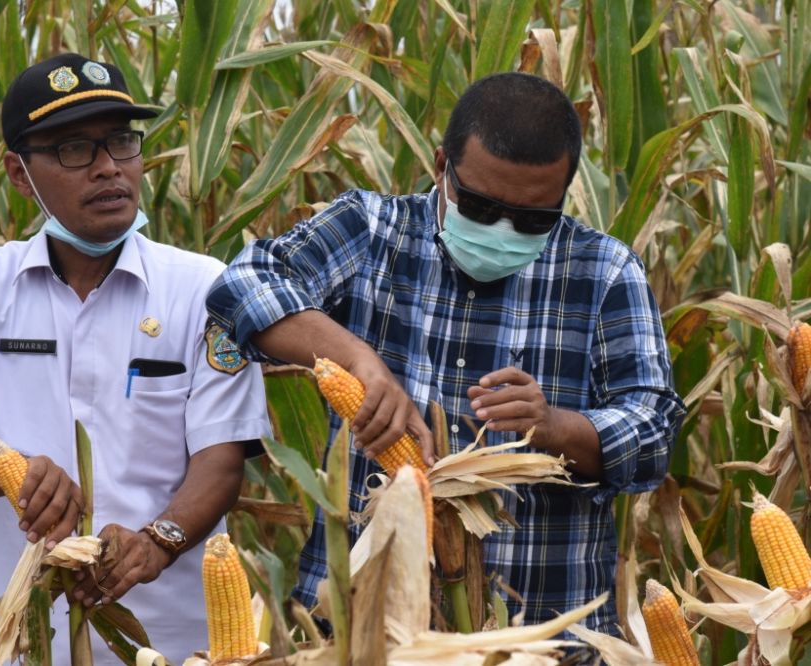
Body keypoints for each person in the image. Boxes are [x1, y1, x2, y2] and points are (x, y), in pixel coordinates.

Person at [206, 72, 685, 637]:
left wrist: (554, 426)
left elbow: (653, 433)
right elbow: (243, 284)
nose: (503, 230)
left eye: (533, 219)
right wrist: (359, 361)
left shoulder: (604, 271)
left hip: (541, 632)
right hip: (366, 630)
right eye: (481, 208)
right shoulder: (371, 229)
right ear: (441, 165)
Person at [0, 53, 270, 665]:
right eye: (74, 150)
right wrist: (16, 471)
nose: (109, 169)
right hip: (20, 644)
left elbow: (221, 460)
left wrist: (157, 542)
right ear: (19, 173)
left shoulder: (204, 288)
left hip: (176, 645)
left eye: (121, 142)